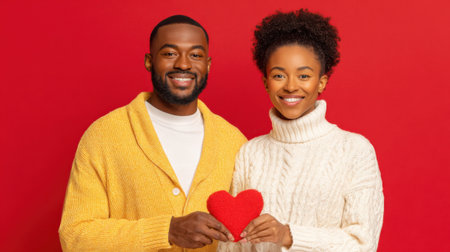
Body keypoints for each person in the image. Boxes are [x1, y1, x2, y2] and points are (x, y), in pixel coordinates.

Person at [59, 15, 247, 252]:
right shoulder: (104, 136)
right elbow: (75, 236)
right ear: (149, 61)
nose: (184, 64)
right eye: (169, 54)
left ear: (208, 64)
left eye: (196, 55)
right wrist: (166, 230)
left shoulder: (234, 141)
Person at [218, 9, 384, 251]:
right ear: (266, 83)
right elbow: (231, 245)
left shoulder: (354, 150)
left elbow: (363, 244)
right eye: (279, 75)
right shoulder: (250, 152)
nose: (291, 86)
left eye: (304, 75)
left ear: (321, 82)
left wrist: (289, 235)